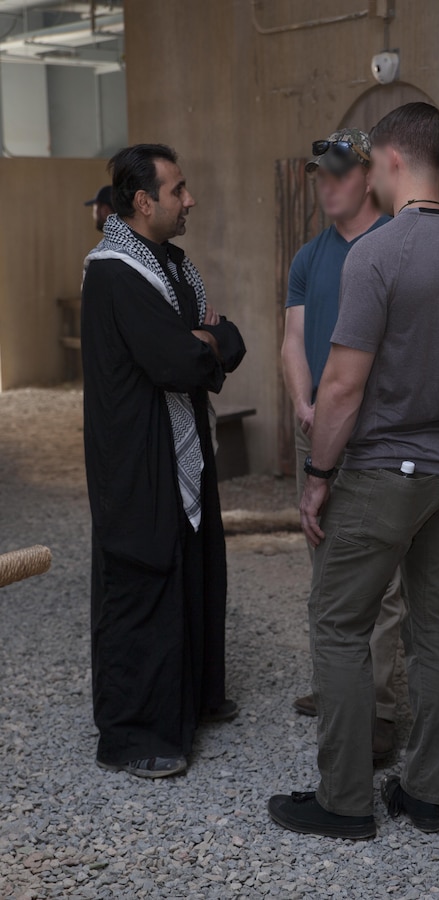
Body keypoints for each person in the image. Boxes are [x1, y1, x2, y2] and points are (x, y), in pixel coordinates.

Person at [269, 102, 439, 839]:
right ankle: (430, 793)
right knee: (437, 619)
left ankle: (345, 801)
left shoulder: (377, 255)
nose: (370, 173)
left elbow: (341, 387)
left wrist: (318, 475)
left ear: (395, 161)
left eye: (373, 162)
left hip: (386, 470)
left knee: (338, 621)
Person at [81, 144, 246, 779]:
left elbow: (224, 338)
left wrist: (209, 339)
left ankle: (192, 699)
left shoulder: (171, 264)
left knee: (194, 563)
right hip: (136, 455)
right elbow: (180, 360)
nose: (190, 200)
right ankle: (134, 733)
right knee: (142, 575)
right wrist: (205, 341)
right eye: (178, 190)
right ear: (142, 201)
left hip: (182, 446)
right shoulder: (117, 272)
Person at [281, 128, 403, 760]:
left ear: (368, 175)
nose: (326, 184)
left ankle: (379, 709)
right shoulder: (310, 257)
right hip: (326, 433)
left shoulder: (395, 245)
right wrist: (304, 402)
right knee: (324, 569)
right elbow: (293, 340)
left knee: (380, 587)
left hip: (380, 440)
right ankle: (337, 688)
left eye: (337, 173)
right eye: (319, 175)